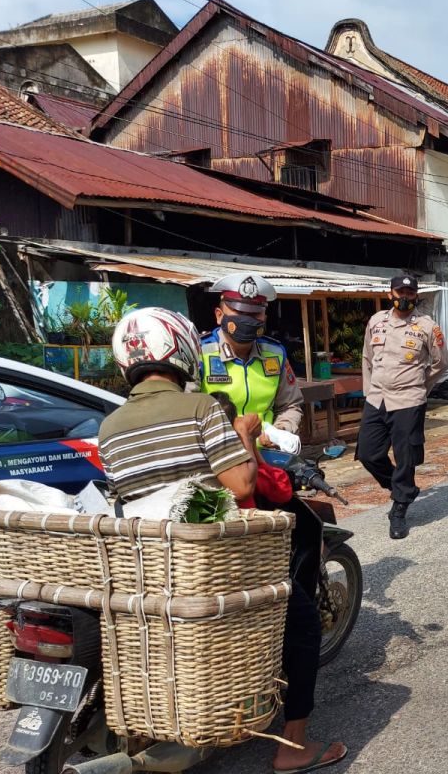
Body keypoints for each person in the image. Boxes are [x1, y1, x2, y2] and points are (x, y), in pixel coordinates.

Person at [98, 307, 345, 772]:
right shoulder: (201, 408)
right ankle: (293, 748)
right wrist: (247, 434)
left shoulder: (110, 427)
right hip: (217, 560)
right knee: (303, 622)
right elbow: (242, 485)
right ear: (182, 350)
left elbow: (124, 499)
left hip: (151, 562)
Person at [356, 274, 448, 539]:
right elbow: (367, 357)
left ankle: (399, 509)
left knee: (405, 457)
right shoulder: (376, 321)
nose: (405, 297)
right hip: (377, 398)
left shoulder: (426, 326)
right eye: (401, 292)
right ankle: (403, 489)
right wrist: (368, 390)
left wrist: (422, 385)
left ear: (415, 295)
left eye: (410, 293)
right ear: (390, 294)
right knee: (367, 453)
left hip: (408, 399)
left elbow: (440, 362)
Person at [200, 273, 304, 448]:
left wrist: (281, 431)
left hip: (267, 457)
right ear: (219, 315)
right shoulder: (199, 353)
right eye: (239, 312)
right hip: (218, 457)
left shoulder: (275, 354)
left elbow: (290, 405)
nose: (246, 320)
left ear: (264, 319)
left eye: (255, 314)